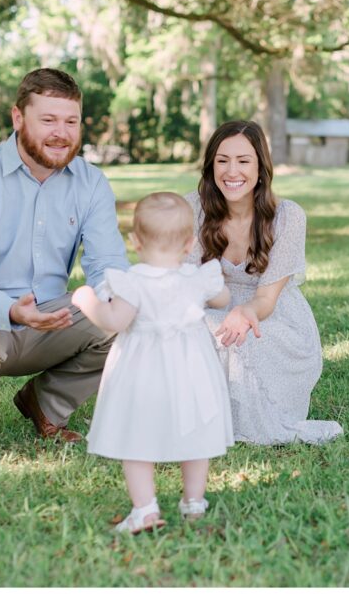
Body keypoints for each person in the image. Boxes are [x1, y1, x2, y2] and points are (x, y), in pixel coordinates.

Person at [0, 67, 128, 453]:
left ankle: (47, 405)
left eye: (71, 121)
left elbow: (108, 267)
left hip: (51, 316)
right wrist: (12, 311)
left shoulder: (91, 182)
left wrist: (121, 298)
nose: (62, 132)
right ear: (18, 118)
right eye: (48, 119)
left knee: (130, 314)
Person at [72, 192, 234, 534]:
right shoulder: (196, 278)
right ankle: (193, 502)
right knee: (196, 433)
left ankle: (145, 509)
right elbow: (223, 298)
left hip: (143, 373)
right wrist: (209, 289)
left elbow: (114, 320)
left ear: (135, 241)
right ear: (190, 243)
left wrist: (86, 300)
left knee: (137, 436)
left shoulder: (131, 282)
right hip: (191, 371)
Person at [186, 120, 343, 445]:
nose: (232, 171)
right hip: (208, 305)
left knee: (245, 339)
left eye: (243, 161)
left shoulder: (287, 216)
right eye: (222, 160)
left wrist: (243, 313)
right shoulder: (193, 209)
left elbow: (266, 300)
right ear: (211, 165)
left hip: (270, 316)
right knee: (190, 329)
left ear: (260, 167)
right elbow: (185, 283)